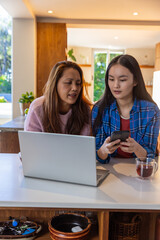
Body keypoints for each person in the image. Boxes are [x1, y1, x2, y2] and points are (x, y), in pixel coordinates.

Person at [92, 54, 160, 163]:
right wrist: (103, 151)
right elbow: (97, 155)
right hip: (110, 169)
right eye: (111, 79)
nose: (115, 85)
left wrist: (137, 149)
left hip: (138, 169)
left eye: (122, 80)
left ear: (135, 81)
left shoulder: (151, 111)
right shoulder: (99, 109)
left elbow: (150, 155)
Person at [24, 61, 91, 135]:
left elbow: (84, 144)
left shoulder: (84, 109)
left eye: (78, 83)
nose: (75, 88)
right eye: (68, 82)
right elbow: (31, 143)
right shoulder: (37, 108)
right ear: (55, 84)